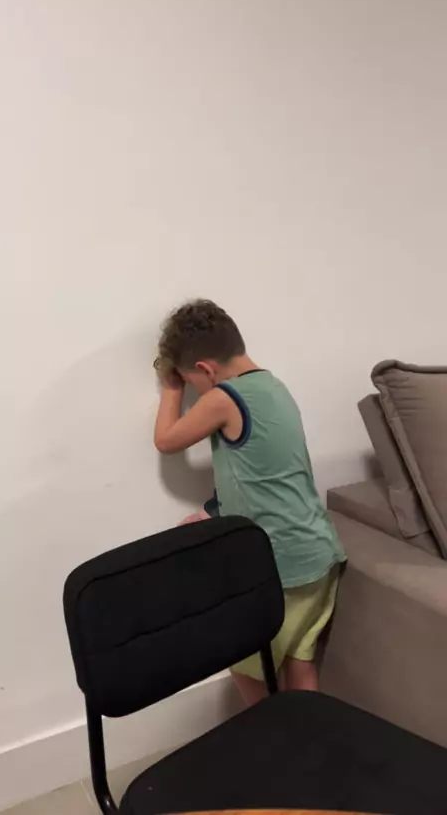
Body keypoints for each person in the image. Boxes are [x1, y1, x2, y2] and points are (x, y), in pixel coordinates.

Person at [153, 299, 346, 705]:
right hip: (319, 551)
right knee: (299, 662)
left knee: (245, 664)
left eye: (191, 382)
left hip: (281, 565)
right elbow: (264, 473)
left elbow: (167, 441)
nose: (193, 391)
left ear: (205, 369)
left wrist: (171, 388)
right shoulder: (274, 386)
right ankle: (311, 736)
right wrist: (213, 511)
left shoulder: (224, 398)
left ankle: (270, 737)